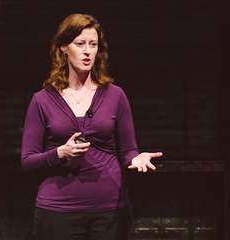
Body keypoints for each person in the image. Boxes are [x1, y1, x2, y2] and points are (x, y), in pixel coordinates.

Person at [21, 13, 163, 240]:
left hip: (110, 211)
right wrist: (60, 153)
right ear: (63, 48)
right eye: (80, 44)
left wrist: (135, 159)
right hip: (58, 211)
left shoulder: (115, 95)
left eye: (93, 44)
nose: (87, 51)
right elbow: (28, 161)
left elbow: (127, 149)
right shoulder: (42, 100)